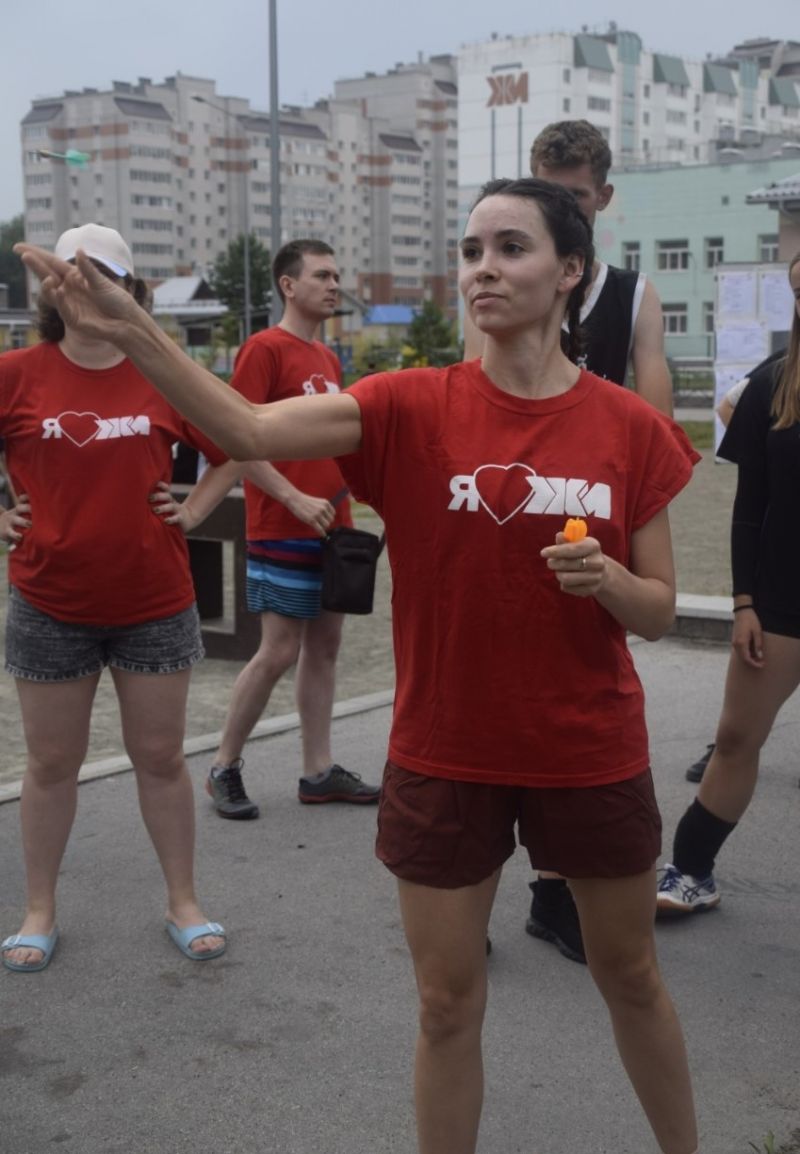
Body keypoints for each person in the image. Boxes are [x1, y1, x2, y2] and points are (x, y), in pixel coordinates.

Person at [17, 176, 701, 1153]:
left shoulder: (627, 427)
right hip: (443, 751)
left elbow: (662, 610)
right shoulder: (407, 404)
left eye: (510, 248)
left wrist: (608, 579)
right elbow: (247, 430)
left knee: (628, 975)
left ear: (569, 273)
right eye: (470, 251)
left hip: (587, 749)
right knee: (445, 1002)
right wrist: (133, 330)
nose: (482, 269)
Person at [468, 118, 674, 963]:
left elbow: (655, 407)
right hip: (503, 504)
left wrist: (630, 472)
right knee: (491, 692)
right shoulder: (501, 280)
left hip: (585, 502)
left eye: (577, 196)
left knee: (573, 693)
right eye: (546, 187)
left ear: (602, 199)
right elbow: (471, 390)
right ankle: (470, 892)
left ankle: (557, 889)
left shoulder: (631, 291)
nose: (562, 204)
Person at [1, 224, 227, 973]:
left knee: (160, 758)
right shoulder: (15, 373)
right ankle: (39, 909)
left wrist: (194, 510)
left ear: (130, 291)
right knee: (50, 764)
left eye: (103, 275)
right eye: (73, 272)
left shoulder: (163, 372)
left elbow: (238, 443)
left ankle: (183, 901)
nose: (86, 286)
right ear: (52, 288)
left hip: (154, 600)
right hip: (48, 601)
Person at [153, 239, 380, 820]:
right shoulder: (264, 349)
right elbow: (234, 439)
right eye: (322, 275)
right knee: (278, 650)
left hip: (333, 528)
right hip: (282, 525)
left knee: (325, 648)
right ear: (288, 285)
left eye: (336, 275)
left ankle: (318, 770)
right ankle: (223, 765)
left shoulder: (327, 359)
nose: (334, 285)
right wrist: (292, 497)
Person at [658, 253, 800, 917]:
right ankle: (691, 871)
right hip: (779, 602)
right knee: (737, 740)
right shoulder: (774, 383)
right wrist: (743, 602)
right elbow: (749, 507)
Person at [685, 347, 790, 783]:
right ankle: (728, 748)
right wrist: (772, 456)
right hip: (781, 575)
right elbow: (728, 407)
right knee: (742, 721)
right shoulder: (780, 368)